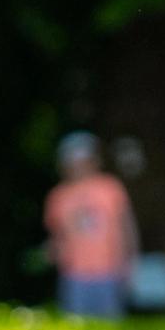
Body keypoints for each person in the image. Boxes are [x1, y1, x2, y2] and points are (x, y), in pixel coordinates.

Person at [44, 132, 136, 320]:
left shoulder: (111, 188)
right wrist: (53, 251)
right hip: (74, 275)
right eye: (73, 159)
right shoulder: (58, 196)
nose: (79, 165)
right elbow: (56, 237)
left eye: (84, 158)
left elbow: (127, 229)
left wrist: (130, 264)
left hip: (109, 272)